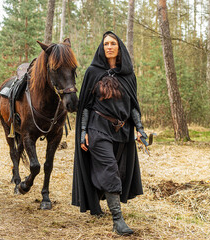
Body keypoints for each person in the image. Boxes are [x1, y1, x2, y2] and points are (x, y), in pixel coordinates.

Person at [72, 31, 148, 236]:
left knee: (118, 171)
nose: (109, 47)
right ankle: (118, 220)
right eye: (105, 43)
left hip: (122, 131)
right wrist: (82, 132)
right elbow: (86, 106)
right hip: (98, 128)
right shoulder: (93, 72)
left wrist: (140, 128)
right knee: (109, 169)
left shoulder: (128, 74)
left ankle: (101, 200)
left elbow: (133, 105)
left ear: (119, 47)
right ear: (102, 47)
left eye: (113, 43)